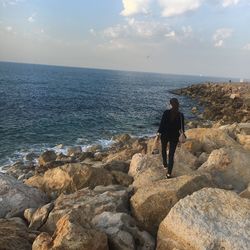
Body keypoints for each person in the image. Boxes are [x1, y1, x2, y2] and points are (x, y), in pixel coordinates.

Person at [156, 98, 186, 178]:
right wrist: (183, 135)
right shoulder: (180, 115)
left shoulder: (166, 112)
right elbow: (182, 128)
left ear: (170, 104)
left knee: (163, 149)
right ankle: (169, 173)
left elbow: (162, 124)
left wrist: (158, 133)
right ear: (177, 104)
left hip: (165, 135)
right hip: (174, 136)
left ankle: (165, 164)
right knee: (171, 155)